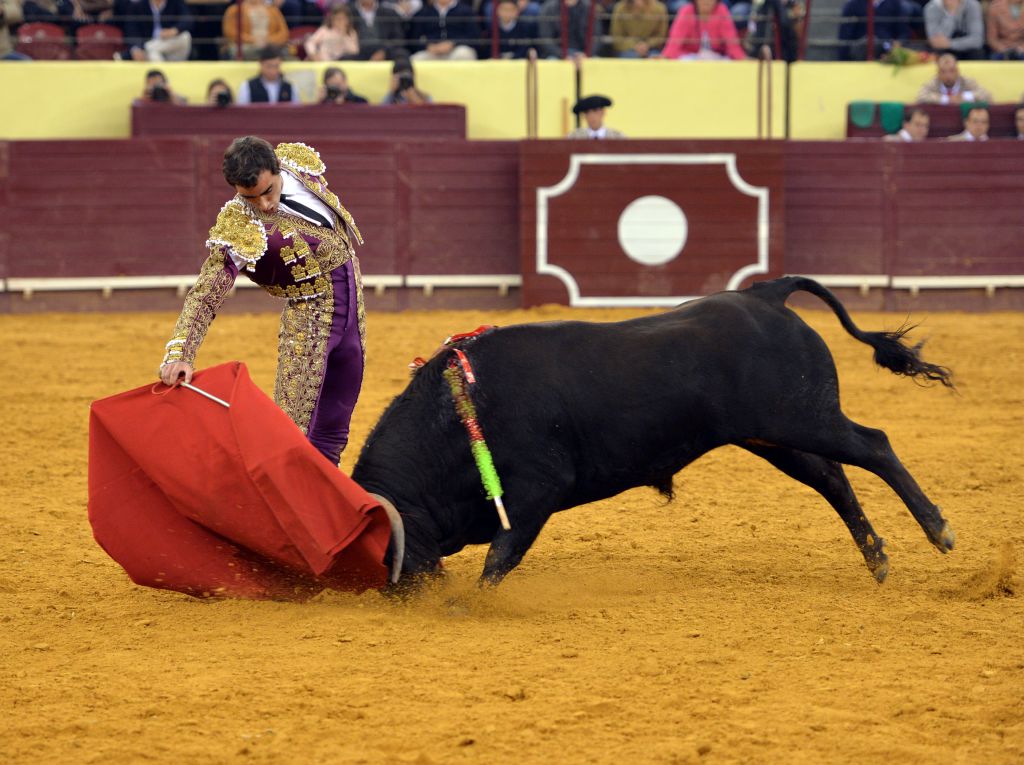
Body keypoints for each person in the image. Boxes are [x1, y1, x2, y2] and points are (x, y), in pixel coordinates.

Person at [159, 137, 366, 466]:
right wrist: (181, 352)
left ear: (276, 168)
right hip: (310, 326)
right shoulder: (239, 225)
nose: (263, 205)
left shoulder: (298, 167)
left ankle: (324, 506)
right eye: (250, 197)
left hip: (354, 318)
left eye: (268, 192)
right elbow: (207, 291)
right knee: (291, 430)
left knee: (335, 425)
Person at [661, 0, 746, 60]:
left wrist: (742, 58)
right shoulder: (686, 11)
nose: (706, 1)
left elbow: (731, 41)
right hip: (690, 57)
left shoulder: (722, 11)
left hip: (716, 58)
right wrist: (666, 57)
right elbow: (675, 40)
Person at [119, 0, 193, 61]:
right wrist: (136, 47)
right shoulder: (138, 5)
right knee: (153, 54)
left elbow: (188, 19)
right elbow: (132, 29)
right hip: (151, 50)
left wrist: (174, 30)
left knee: (185, 37)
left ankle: (146, 48)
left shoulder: (175, 2)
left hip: (169, 45)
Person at [837, 0, 909, 60]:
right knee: (867, 43)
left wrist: (898, 43)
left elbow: (903, 32)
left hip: (887, 48)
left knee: (886, 45)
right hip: (861, 50)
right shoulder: (853, 5)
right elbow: (844, 36)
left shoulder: (895, 4)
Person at [409, 0, 479, 60]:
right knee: (415, 59)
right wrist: (428, 46)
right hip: (432, 52)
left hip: (457, 50)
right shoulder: (424, 12)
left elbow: (474, 37)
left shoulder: (466, 11)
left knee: (464, 54)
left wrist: (453, 43)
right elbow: (414, 38)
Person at [221, 0, 289, 60]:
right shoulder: (234, 10)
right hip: (247, 46)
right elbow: (230, 32)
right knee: (237, 51)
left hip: (270, 45)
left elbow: (284, 32)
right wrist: (253, 40)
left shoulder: (273, 10)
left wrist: (269, 40)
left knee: (281, 50)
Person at [915, 51, 992, 103]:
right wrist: (945, 99)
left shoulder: (967, 81)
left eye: (951, 71)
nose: (948, 75)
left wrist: (964, 96)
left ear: (958, 71)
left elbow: (986, 95)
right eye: (943, 72)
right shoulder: (934, 82)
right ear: (938, 73)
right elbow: (920, 96)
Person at [236, 46, 301, 104]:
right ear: (261, 64)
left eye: (276, 66)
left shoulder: (290, 87)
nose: (272, 71)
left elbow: (295, 113)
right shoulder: (247, 86)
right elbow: (242, 112)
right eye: (269, 66)